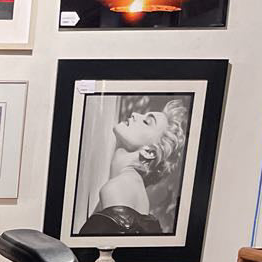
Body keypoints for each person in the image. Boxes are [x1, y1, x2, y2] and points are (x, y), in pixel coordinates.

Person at [80, 98, 188, 236]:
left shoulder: (118, 188)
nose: (135, 114)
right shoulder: (135, 192)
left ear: (149, 152)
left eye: (147, 122)